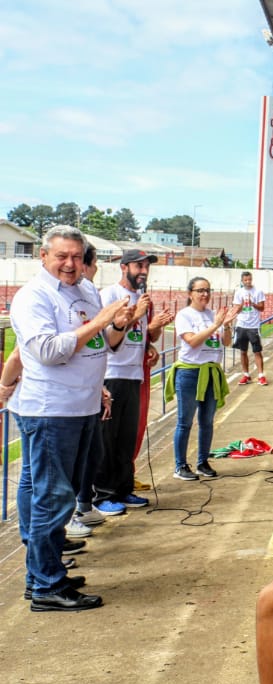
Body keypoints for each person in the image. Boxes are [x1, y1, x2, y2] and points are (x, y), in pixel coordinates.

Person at [11, 226, 130, 611]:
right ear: (43, 256)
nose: (70, 264)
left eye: (77, 257)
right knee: (53, 498)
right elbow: (48, 351)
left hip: (82, 405)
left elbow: (103, 344)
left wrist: (119, 323)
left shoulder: (86, 290)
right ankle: (47, 584)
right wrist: (101, 322)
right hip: (51, 409)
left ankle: (40, 575)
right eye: (61, 256)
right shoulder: (33, 297)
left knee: (56, 493)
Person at [94, 249, 172, 513]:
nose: (143, 271)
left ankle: (124, 489)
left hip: (134, 375)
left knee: (127, 438)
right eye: (138, 266)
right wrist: (137, 316)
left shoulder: (142, 299)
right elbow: (106, 337)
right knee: (108, 439)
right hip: (112, 374)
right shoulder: (109, 296)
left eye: (146, 266)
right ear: (124, 267)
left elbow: (144, 337)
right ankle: (103, 495)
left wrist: (151, 345)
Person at [169, 276, 233, 481]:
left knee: (207, 421)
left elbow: (227, 342)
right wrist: (215, 325)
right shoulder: (185, 315)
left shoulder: (212, 314)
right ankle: (180, 465)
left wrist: (228, 325)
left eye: (207, 290)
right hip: (190, 372)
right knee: (185, 421)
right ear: (190, 294)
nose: (205, 294)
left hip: (211, 372)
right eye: (200, 290)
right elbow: (192, 341)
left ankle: (202, 461)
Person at [233, 271, 268, 385]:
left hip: (253, 326)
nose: (248, 282)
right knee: (243, 351)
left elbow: (262, 308)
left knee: (257, 351)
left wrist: (253, 304)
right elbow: (236, 310)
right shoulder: (238, 292)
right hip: (241, 325)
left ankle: (261, 375)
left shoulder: (258, 292)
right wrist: (242, 304)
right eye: (245, 280)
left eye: (249, 279)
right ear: (242, 281)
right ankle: (246, 375)